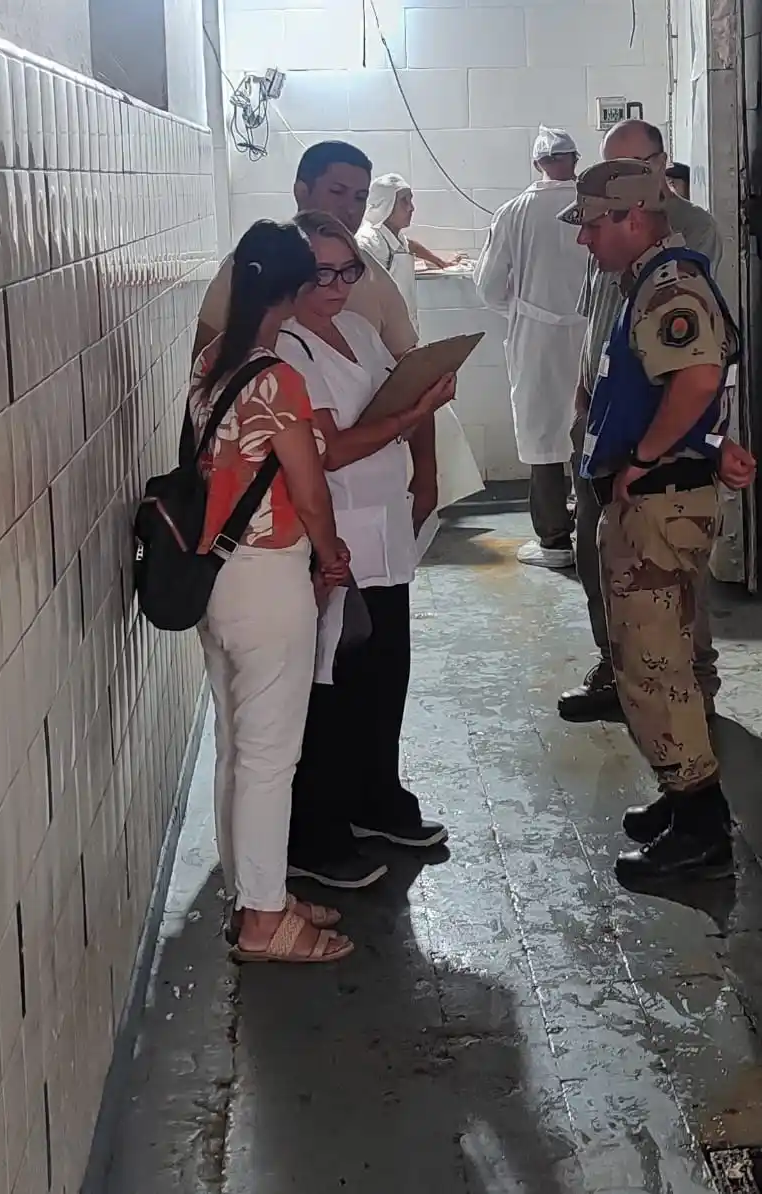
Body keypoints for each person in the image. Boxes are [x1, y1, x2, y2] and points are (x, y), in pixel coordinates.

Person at [560, 159, 746, 882]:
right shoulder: (646, 282)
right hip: (662, 496)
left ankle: (699, 824)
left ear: (633, 217)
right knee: (661, 658)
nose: (584, 241)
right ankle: (684, 795)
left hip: (659, 503)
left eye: (591, 226)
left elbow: (697, 379)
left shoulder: (670, 286)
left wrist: (641, 459)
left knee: (653, 664)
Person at [275, 213, 458, 890]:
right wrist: (410, 416)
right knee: (333, 686)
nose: (336, 286)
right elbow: (333, 449)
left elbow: (400, 392)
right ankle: (317, 833)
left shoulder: (356, 329)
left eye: (347, 271)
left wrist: (424, 460)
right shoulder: (288, 347)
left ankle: (376, 800)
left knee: (384, 674)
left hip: (385, 528)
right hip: (335, 540)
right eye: (320, 273)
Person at [192, 219, 354, 964]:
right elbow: (310, 491)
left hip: (215, 578)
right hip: (268, 580)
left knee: (237, 748)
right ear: (292, 291)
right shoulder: (277, 378)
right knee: (268, 758)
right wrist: (331, 557)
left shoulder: (210, 366)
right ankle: (262, 922)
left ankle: (253, 894)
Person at [194, 141, 441, 539]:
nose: (350, 208)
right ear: (301, 191)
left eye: (360, 197)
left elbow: (414, 374)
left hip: (375, 498)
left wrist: (426, 474)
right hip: (275, 511)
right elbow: (207, 383)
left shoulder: (369, 289)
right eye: (337, 191)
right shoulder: (248, 278)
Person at [474, 126, 590, 570]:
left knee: (543, 435)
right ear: (575, 160)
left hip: (537, 336)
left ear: (537, 163)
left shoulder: (513, 212)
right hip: (593, 331)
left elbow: (488, 286)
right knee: (591, 427)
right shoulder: (597, 205)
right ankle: (595, 534)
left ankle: (554, 541)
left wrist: (521, 308)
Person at [356, 174, 465, 324]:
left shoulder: (394, 235)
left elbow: (411, 246)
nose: (411, 208)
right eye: (404, 201)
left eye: (410, 200)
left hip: (404, 322)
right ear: (385, 205)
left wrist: (441, 262)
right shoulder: (367, 242)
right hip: (383, 328)